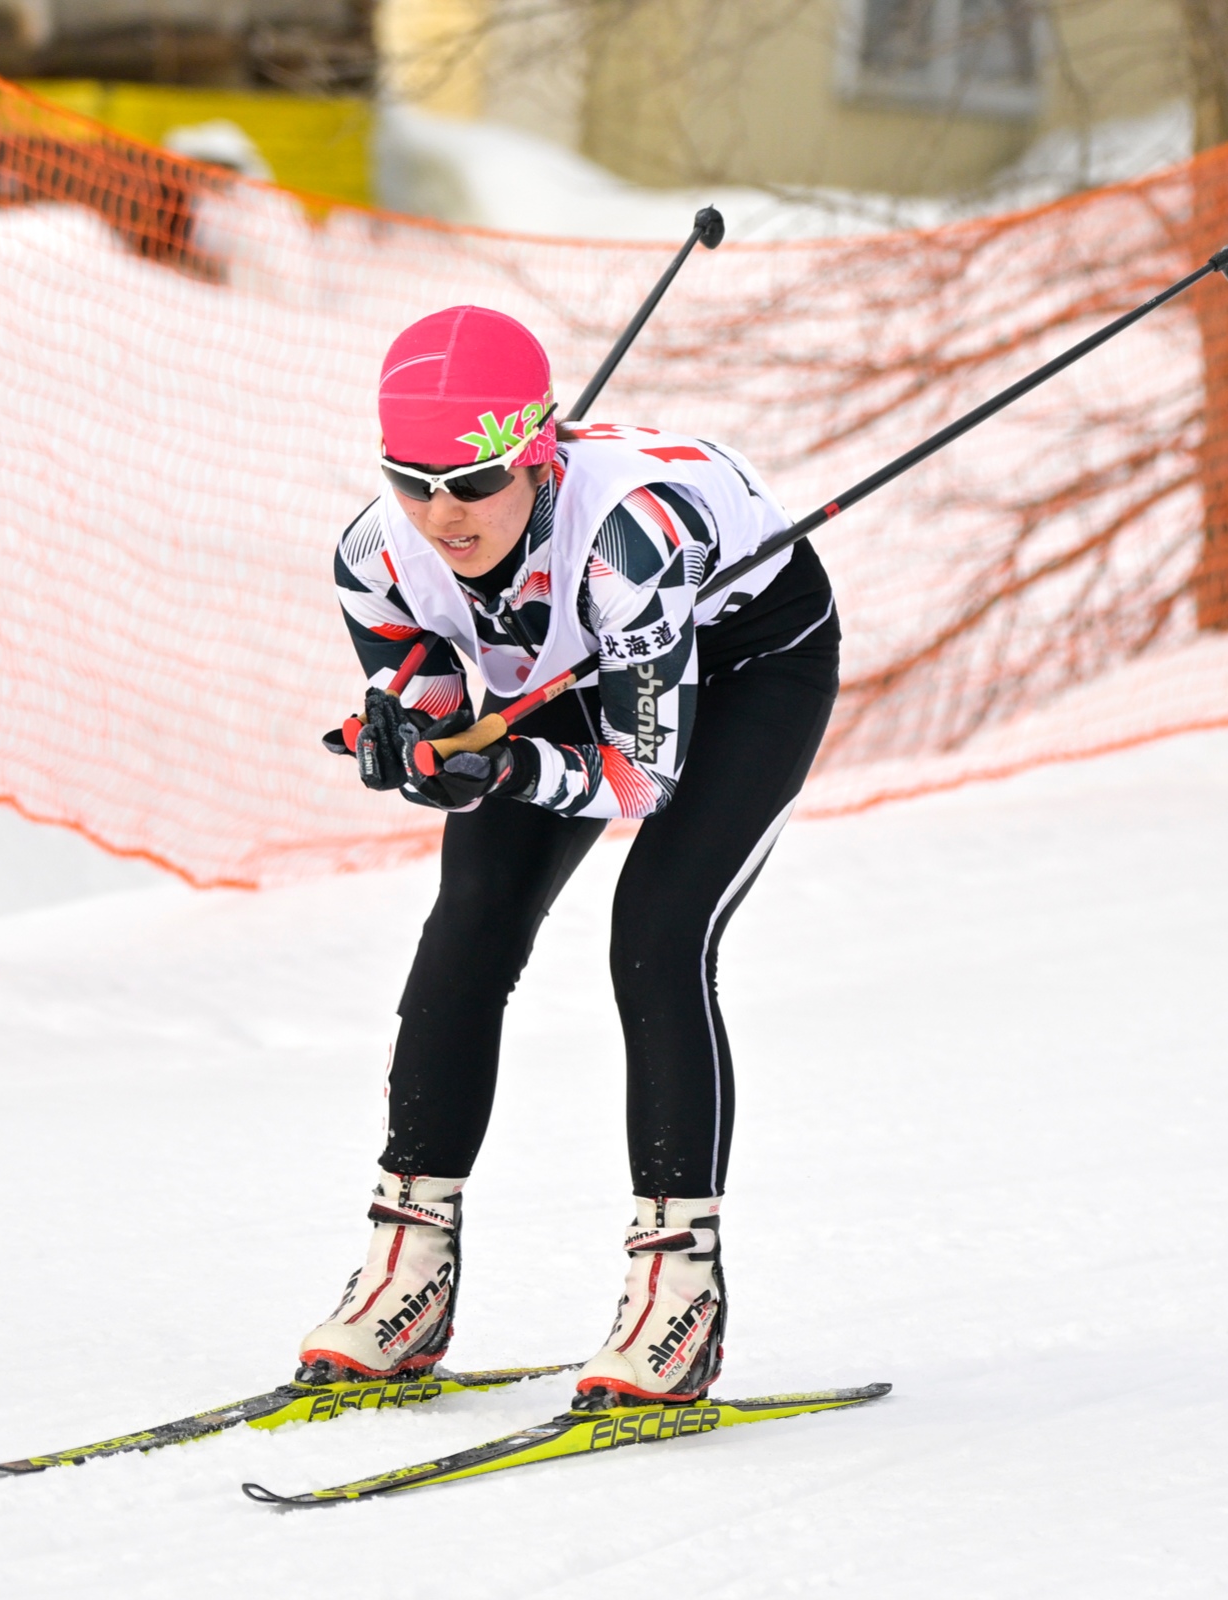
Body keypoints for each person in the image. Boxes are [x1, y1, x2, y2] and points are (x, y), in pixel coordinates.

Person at [298, 305, 840, 1410]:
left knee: (658, 932)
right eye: (412, 482)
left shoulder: (630, 539)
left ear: (537, 454)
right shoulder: (373, 552)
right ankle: (407, 1268)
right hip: (576, 656)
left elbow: (642, 778)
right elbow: (432, 687)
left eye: (473, 482)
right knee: (469, 923)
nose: (442, 516)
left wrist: (499, 769)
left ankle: (677, 1291)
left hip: (747, 664)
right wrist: (414, 741)